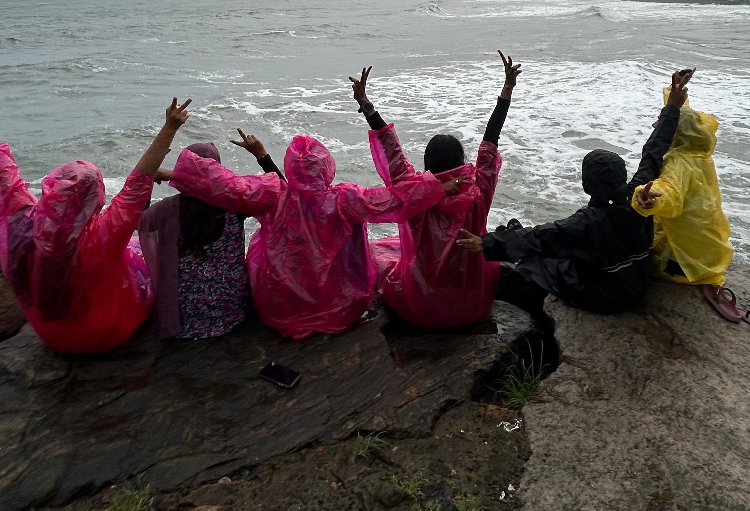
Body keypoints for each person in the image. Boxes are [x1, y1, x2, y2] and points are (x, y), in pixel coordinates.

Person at [165, 131, 467, 339]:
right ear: (327, 166)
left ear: (289, 168)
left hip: (278, 309)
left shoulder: (272, 194)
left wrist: (173, 173)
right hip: (338, 309)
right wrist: (437, 187)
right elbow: (392, 199)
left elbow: (225, 184)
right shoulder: (345, 200)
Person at [457, 69, 694, 316]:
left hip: (605, 296)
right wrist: (672, 107)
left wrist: (484, 243)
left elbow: (540, 237)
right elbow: (653, 153)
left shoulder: (585, 224)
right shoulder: (640, 198)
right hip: (636, 283)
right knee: (560, 248)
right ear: (623, 177)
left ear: (586, 185)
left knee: (536, 263)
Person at [0, 97, 191, 353]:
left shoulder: (21, 222)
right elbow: (138, 183)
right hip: (105, 333)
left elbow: (7, 180)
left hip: (51, 336)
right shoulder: (102, 234)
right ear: (95, 198)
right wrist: (169, 128)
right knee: (138, 252)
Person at [349, 50, 520, 328]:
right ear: (462, 162)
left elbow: (391, 148)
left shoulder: (413, 193)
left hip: (421, 306)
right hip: (472, 303)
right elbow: (491, 140)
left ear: (427, 164)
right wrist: (507, 90)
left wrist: (366, 104)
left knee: (382, 259)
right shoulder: (478, 192)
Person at [138, 134, 283, 340]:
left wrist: (148, 178)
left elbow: (137, 219)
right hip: (232, 311)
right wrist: (261, 155)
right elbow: (282, 192)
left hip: (186, 316)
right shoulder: (236, 205)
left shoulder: (167, 209)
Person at [632, 88, 737, 321]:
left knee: (630, 256)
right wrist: (675, 96)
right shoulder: (700, 157)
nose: (655, 125)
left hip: (685, 263)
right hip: (710, 254)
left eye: (662, 123)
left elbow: (670, 192)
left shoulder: (677, 163)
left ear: (676, 133)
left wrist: (645, 198)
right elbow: (685, 117)